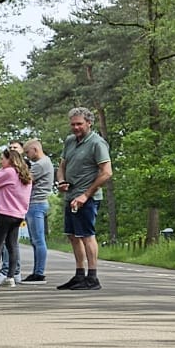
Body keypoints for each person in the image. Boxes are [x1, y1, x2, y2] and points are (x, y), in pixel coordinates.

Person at [56, 107, 113, 289]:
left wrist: (86, 195)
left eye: (79, 124)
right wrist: (61, 181)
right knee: (73, 236)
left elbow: (106, 173)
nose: (76, 127)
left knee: (87, 235)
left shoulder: (97, 143)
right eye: (73, 124)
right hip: (70, 195)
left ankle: (93, 277)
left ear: (89, 123)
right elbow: (62, 166)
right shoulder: (70, 141)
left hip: (87, 197)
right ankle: (79, 275)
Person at [0, 145, 33, 286]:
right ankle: (10, 277)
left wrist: (2, 169)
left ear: (9, 160)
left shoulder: (9, 172)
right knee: (12, 246)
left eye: (2, 159)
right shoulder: (26, 175)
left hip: (5, 213)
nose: (0, 162)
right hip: (18, 215)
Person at [21, 138, 53, 282]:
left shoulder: (41, 164)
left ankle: (39, 272)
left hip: (36, 203)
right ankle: (37, 270)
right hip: (36, 203)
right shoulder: (45, 163)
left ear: (35, 149)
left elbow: (25, 179)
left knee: (38, 240)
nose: (27, 156)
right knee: (36, 240)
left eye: (28, 152)